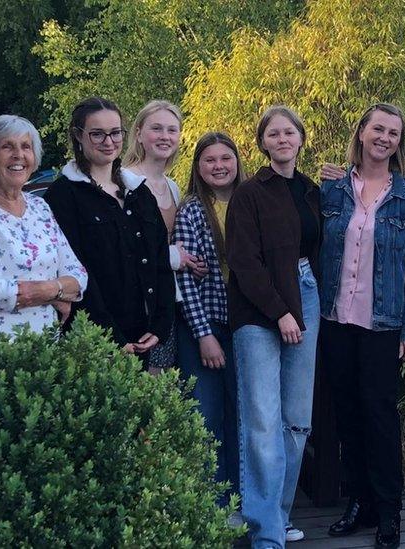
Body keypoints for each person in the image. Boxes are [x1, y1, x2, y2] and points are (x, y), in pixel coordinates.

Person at [320, 103, 405, 549]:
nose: (384, 138)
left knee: (380, 418)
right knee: (346, 416)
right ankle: (359, 502)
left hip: (383, 326)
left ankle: (389, 514)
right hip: (334, 320)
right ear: (361, 133)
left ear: (399, 143)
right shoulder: (331, 190)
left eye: (394, 133)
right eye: (377, 129)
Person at [226, 106, 320, 548]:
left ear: (301, 139)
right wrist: (280, 312)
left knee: (297, 421)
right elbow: (244, 262)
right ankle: (266, 533)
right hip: (258, 310)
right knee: (263, 421)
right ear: (263, 143)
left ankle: (277, 516)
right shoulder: (248, 194)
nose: (283, 139)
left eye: (290, 132)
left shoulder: (312, 191)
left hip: (308, 295)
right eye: (274, 133)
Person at [44, 97, 175, 363]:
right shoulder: (63, 195)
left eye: (115, 133)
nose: (108, 141)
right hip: (93, 340)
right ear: (78, 136)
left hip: (143, 337)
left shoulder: (139, 193)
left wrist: (160, 325)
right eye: (97, 134)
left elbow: (159, 260)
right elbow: (75, 270)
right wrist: (111, 337)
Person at [0, 115, 87, 345]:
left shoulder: (39, 207)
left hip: (45, 347)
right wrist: (56, 291)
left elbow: (79, 276)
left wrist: (45, 291)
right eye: (7, 146)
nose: (19, 155)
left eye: (26, 147)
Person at [172, 132, 243, 515]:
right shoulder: (193, 210)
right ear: (198, 166)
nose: (219, 166)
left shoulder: (249, 203)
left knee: (241, 419)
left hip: (245, 329)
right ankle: (214, 509)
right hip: (206, 329)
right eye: (210, 159)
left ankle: (239, 501)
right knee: (206, 417)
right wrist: (203, 335)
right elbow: (184, 281)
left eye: (225, 158)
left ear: (237, 161)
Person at [124, 100, 205, 372]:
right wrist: (174, 257)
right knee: (146, 383)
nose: (165, 136)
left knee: (166, 386)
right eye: (156, 128)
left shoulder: (172, 186)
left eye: (172, 130)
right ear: (139, 133)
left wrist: (191, 261)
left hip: (169, 302)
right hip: (139, 304)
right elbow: (126, 247)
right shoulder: (124, 182)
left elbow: (174, 243)